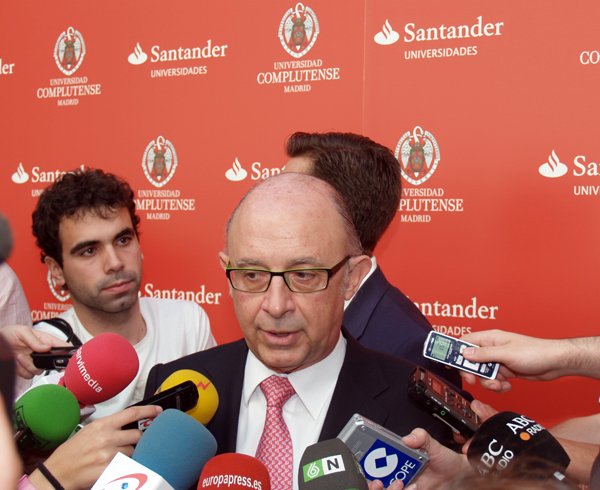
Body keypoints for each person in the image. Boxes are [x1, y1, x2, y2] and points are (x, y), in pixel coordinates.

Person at [145, 173, 458, 490]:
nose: (276, 306)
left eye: (304, 275)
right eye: (252, 274)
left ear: (352, 278)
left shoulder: (419, 414)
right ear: (227, 272)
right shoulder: (175, 391)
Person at [7, 168, 215, 421]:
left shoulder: (188, 322)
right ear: (57, 270)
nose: (115, 263)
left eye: (123, 240)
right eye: (89, 251)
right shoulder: (37, 354)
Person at [284, 132, 462, 388]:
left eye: (285, 194)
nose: (267, 202)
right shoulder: (273, 306)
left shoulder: (410, 351)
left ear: (337, 213)